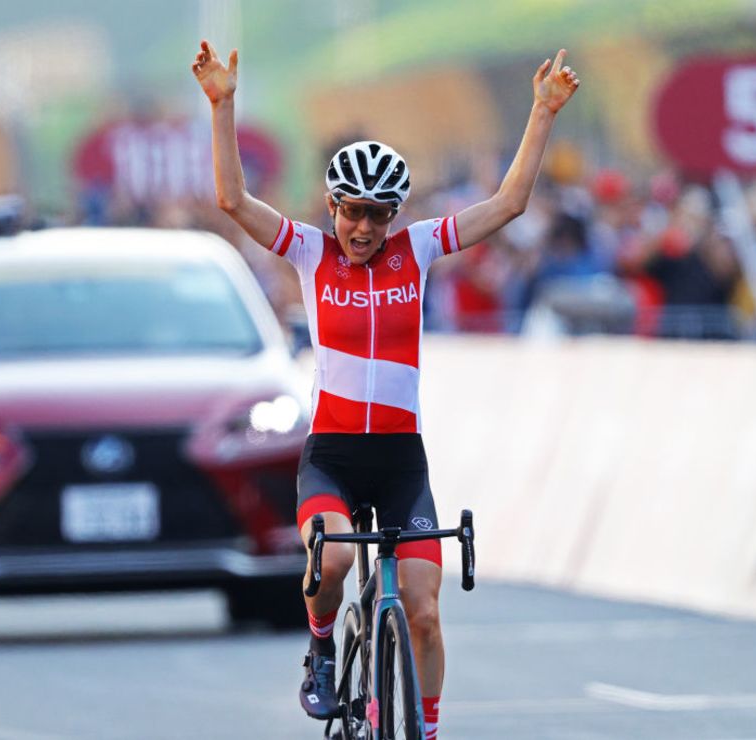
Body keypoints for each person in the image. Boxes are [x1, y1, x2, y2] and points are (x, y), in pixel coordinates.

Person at [192, 39, 579, 737]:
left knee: (426, 614)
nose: (364, 228)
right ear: (333, 208)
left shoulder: (421, 248)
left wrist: (541, 111)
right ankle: (320, 649)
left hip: (402, 461)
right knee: (334, 557)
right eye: (352, 212)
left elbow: (511, 202)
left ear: (396, 215)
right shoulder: (310, 253)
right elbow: (231, 199)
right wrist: (223, 106)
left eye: (378, 214)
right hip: (333, 458)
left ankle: (424, 729)